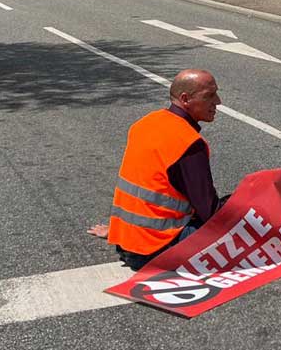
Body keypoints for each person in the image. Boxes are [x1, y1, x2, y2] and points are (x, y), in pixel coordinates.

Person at [98, 69, 228, 271]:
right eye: (209, 95)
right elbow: (209, 212)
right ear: (185, 99)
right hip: (156, 248)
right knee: (239, 217)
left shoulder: (146, 123)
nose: (217, 101)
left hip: (128, 241)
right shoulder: (188, 143)